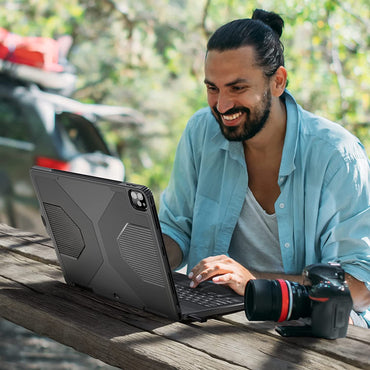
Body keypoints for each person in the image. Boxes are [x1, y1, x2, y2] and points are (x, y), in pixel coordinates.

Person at [158, 9, 370, 326]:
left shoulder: (337, 156)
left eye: (237, 88)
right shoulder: (202, 131)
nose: (222, 105)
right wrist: (131, 252)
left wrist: (254, 283)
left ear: (278, 81)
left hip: (308, 333)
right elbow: (177, 229)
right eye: (212, 88)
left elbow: (358, 286)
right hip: (213, 320)